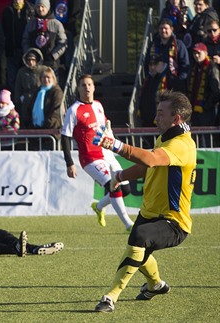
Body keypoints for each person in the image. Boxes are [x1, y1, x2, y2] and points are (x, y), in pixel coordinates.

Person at [92, 91, 197, 313]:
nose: (155, 118)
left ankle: (110, 297)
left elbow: (150, 159)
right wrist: (119, 177)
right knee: (139, 250)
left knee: (138, 241)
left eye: (161, 113)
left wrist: (115, 145)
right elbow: (148, 165)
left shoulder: (181, 145)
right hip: (149, 213)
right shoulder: (167, 137)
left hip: (173, 222)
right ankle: (155, 285)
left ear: (176, 118)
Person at [61, 74, 134, 230]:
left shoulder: (98, 105)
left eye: (89, 84)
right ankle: (129, 225)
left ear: (93, 87)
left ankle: (99, 206)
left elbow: (105, 129)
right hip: (91, 158)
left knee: (126, 189)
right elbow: (65, 137)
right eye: (83, 85)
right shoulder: (74, 110)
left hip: (107, 153)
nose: (86, 87)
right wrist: (69, 163)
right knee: (113, 186)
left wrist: (114, 144)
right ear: (78, 88)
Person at [21, 0, 67, 73]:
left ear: (48, 7)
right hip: (34, 62)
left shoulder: (56, 24)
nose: (40, 9)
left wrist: (53, 56)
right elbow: (25, 41)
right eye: (38, 6)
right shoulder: (31, 24)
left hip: (51, 63)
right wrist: (29, 54)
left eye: (43, 6)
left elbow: (63, 43)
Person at [145, 18, 190, 93]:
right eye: (161, 28)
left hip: (174, 84)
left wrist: (179, 80)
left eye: (165, 28)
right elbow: (147, 63)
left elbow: (185, 65)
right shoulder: (153, 45)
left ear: (171, 29)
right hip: (155, 83)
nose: (163, 31)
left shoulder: (179, 45)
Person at [2, 0, 35, 92]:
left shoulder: (31, 9)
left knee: (27, 78)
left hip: (27, 50)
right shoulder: (7, 10)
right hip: (12, 49)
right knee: (12, 79)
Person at [23, 66, 63, 131]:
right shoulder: (37, 91)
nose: (46, 80)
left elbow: (56, 110)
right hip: (35, 129)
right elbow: (30, 108)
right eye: (44, 77)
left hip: (51, 129)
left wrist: (48, 124)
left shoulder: (56, 91)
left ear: (53, 78)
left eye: (48, 77)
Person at [14, 48, 44, 126]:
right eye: (29, 60)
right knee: (25, 118)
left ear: (37, 60)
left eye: (33, 60)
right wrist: (17, 101)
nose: (31, 62)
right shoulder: (21, 72)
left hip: (39, 97)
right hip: (26, 97)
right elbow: (18, 87)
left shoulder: (43, 70)